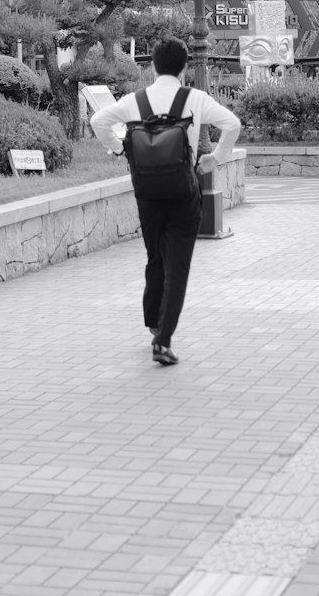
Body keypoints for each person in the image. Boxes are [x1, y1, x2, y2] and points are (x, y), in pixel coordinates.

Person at [90, 37, 241, 366]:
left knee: (155, 257)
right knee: (178, 268)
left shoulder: (136, 100)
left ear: (153, 66)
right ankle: (164, 340)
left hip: (147, 192)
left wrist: (119, 149)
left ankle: (154, 323)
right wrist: (215, 158)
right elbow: (232, 123)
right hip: (183, 191)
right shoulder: (195, 98)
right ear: (185, 66)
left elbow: (98, 121)